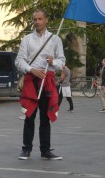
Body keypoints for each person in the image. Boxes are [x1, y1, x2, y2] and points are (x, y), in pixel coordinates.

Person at [15, 9, 65, 160]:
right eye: (35, 19)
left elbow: (62, 62)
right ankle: (26, 149)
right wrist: (31, 69)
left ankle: (45, 150)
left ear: (46, 20)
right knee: (29, 115)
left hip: (47, 81)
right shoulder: (27, 39)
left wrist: (53, 62)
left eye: (40, 19)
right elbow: (19, 61)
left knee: (45, 117)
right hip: (31, 80)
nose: (37, 21)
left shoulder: (55, 40)